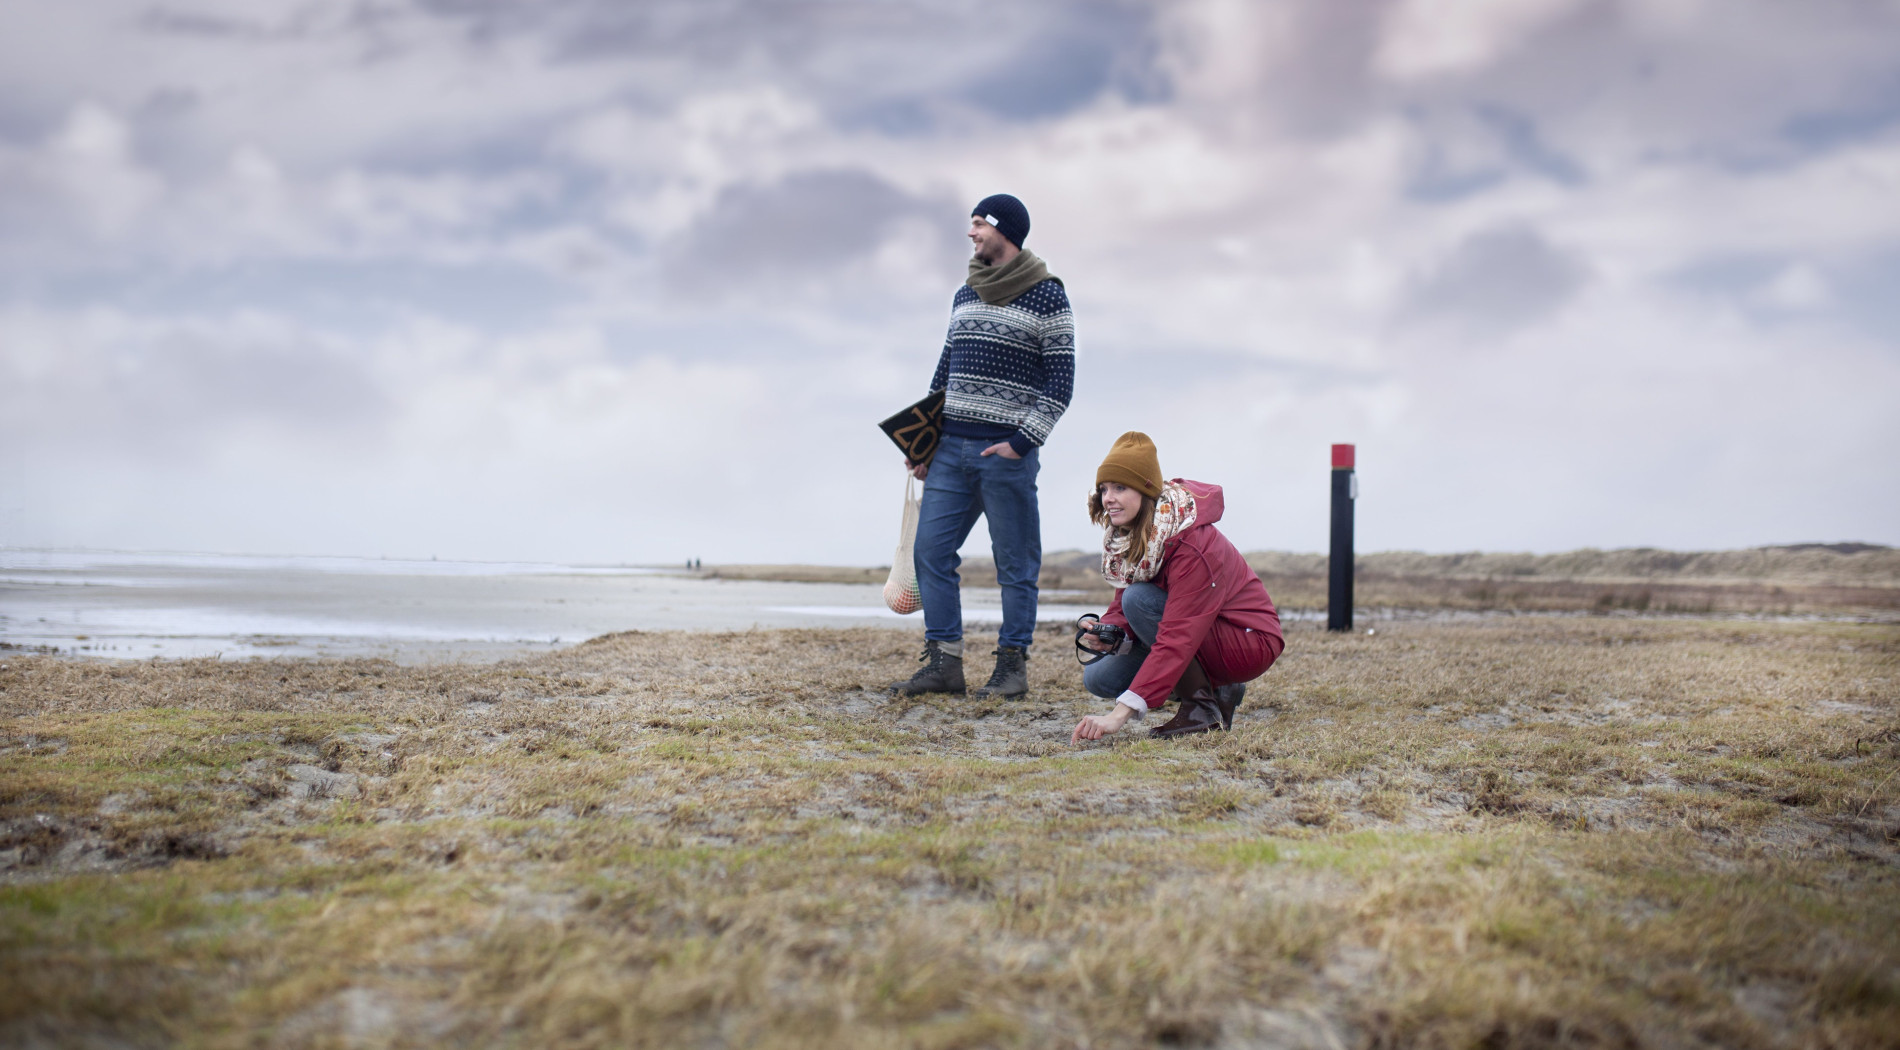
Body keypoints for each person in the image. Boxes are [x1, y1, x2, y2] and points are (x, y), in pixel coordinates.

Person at [890, 194, 1075, 700]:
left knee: (1015, 565)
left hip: (1005, 456)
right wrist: (922, 439)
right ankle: (944, 664)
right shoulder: (965, 294)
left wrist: (1021, 442)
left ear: (1004, 230)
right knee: (930, 551)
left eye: (977, 225)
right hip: (949, 450)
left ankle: (1012, 667)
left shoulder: (1048, 297)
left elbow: (1061, 383)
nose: (970, 234)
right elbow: (945, 371)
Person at [1070, 432, 1284, 742]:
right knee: (1099, 678)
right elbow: (1123, 603)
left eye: (1120, 487)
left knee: (1139, 599)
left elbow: (1177, 632)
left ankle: (1201, 710)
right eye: (1104, 489)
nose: (1108, 498)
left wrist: (1119, 715)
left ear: (1146, 491)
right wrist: (1111, 632)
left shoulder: (1190, 542)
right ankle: (1216, 687)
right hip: (1201, 632)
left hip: (1248, 641)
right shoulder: (1140, 534)